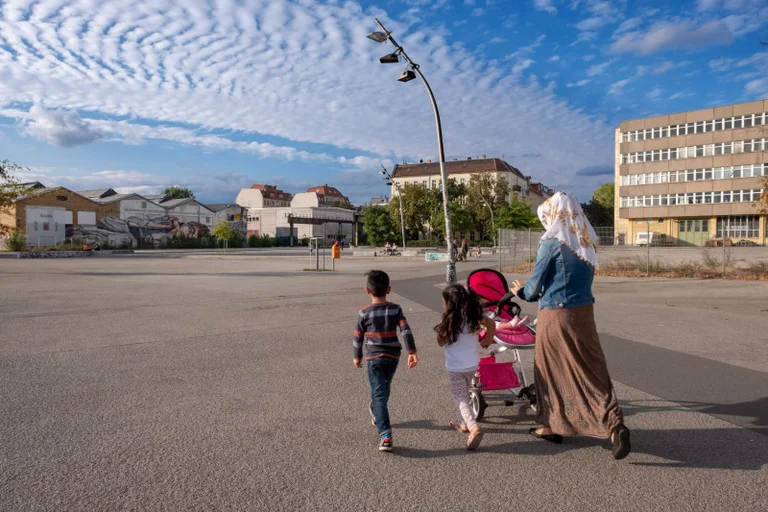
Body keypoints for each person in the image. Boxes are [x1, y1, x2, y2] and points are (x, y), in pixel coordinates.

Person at [510, 191, 630, 460]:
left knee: (549, 369)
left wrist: (520, 292)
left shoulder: (551, 243)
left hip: (557, 315)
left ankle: (551, 427)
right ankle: (615, 424)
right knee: (592, 369)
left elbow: (533, 288)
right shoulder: (585, 241)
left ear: (554, 214)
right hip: (584, 313)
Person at [353, 270, 418, 452]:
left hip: (374, 357)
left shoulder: (364, 312)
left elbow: (357, 337)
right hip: (393, 356)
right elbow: (406, 330)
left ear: (367, 290)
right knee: (384, 387)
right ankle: (377, 412)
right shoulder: (395, 309)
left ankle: (386, 435)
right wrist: (411, 351)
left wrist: (356, 356)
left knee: (379, 393)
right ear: (389, 289)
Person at [435, 285, 496, 450]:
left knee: (460, 397)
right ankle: (462, 423)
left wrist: (445, 333)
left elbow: (440, 342)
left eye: (443, 302)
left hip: (455, 366)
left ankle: (472, 426)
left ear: (449, 303)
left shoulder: (450, 319)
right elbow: (490, 322)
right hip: (472, 364)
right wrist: (488, 339)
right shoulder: (472, 316)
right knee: (465, 392)